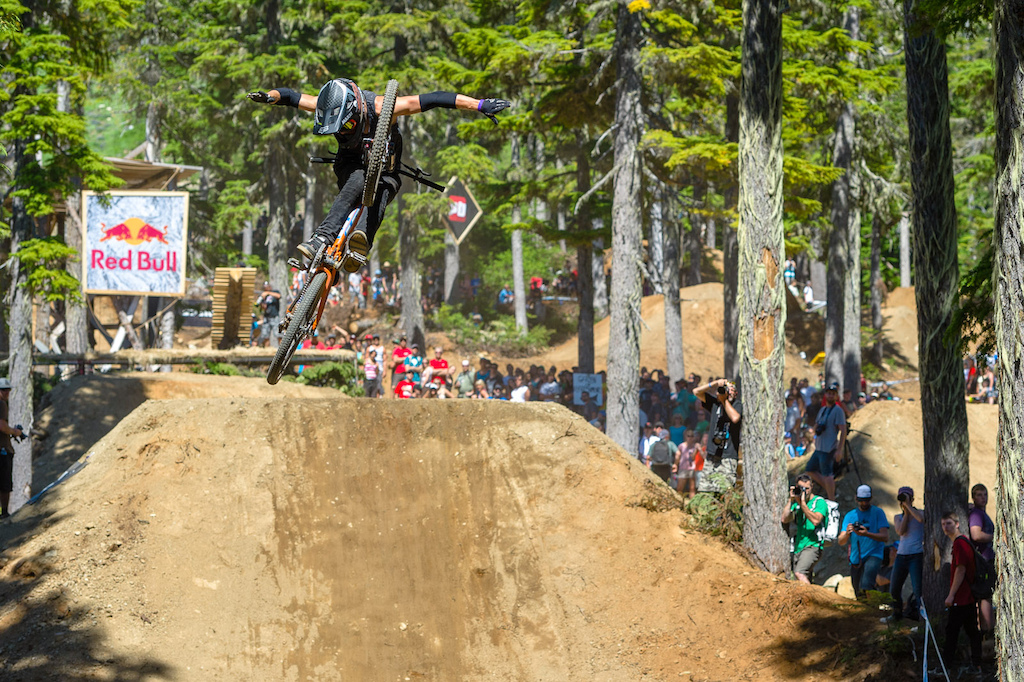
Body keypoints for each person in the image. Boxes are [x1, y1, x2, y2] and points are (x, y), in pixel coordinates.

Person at [248, 82, 510, 272]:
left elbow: (437, 98)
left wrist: (479, 104)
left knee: (384, 189)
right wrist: (269, 96)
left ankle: (360, 242)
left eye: (348, 125)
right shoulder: (325, 103)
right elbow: (290, 96)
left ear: (357, 109)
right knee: (356, 181)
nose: (344, 131)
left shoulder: (384, 106)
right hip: (349, 165)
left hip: (388, 168)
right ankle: (322, 238)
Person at [941, 511, 983, 672]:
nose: (946, 527)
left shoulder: (960, 543)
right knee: (972, 631)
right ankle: (976, 663)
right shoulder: (962, 542)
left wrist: (951, 595)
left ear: (957, 524)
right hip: (968, 597)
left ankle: (946, 667)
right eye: (943, 524)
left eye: (949, 523)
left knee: (952, 632)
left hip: (961, 597)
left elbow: (961, 569)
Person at [838, 484, 890, 599]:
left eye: (866, 500)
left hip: (874, 554)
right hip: (856, 558)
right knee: (857, 590)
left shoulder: (878, 513)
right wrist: (847, 533)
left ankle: (873, 609)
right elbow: (841, 541)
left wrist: (867, 533)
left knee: (867, 584)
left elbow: (885, 536)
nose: (864, 503)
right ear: (856, 499)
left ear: (871, 499)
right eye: (861, 500)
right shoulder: (850, 516)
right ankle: (865, 612)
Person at [692, 378, 742, 494]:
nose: (728, 393)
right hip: (712, 455)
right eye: (726, 390)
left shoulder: (737, 405)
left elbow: (735, 418)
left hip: (728, 456)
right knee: (706, 490)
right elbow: (696, 392)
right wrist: (713, 384)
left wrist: (724, 401)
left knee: (725, 491)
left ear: (736, 393)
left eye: (731, 390)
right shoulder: (715, 403)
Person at [782, 474, 828, 584]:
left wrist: (802, 504)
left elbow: (816, 520)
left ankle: (815, 597)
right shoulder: (796, 502)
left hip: (813, 544)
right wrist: (791, 499)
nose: (804, 491)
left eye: (807, 488)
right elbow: (784, 519)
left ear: (812, 487)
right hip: (798, 546)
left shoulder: (819, 502)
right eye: (801, 488)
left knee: (799, 573)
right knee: (803, 578)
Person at [804, 382, 846, 500]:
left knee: (828, 475)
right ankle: (832, 490)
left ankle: (831, 499)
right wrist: (812, 432)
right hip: (819, 447)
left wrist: (839, 450)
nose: (830, 396)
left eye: (833, 394)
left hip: (829, 448)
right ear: (825, 395)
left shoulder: (838, 411)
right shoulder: (822, 409)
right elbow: (817, 424)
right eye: (828, 393)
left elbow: (843, 430)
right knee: (809, 470)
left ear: (836, 396)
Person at [890, 486, 924, 622]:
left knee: (918, 589)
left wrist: (909, 507)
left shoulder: (920, 513)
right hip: (901, 556)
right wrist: (906, 512)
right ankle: (896, 614)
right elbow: (900, 531)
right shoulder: (898, 517)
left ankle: (922, 618)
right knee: (894, 588)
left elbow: (921, 520)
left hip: (916, 555)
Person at [968, 483, 995, 635]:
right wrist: (995, 537)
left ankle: (985, 629)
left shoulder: (982, 513)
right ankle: (987, 631)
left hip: (986, 560)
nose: (983, 498)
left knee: (986, 596)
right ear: (973, 497)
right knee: (985, 596)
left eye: (984, 494)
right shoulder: (976, 514)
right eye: (979, 495)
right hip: (982, 561)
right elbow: (976, 535)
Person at [0, 377, 27, 519]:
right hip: (3, 451)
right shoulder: (1, 404)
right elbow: (2, 427)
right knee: (4, 483)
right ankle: (4, 513)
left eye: (8, 390)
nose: (6, 393)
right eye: (3, 390)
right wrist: (16, 432)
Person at [256, 282, 282, 347]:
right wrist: (262, 304)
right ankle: (267, 349)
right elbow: (263, 308)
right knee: (265, 335)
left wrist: (268, 293)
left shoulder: (274, 292)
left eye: (267, 286)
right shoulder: (263, 296)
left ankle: (282, 350)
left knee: (278, 334)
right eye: (265, 287)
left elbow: (279, 296)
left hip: (274, 316)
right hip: (267, 317)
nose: (266, 288)